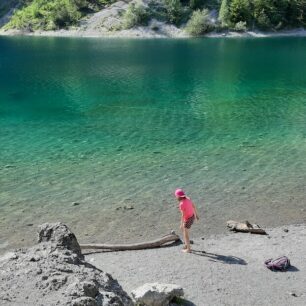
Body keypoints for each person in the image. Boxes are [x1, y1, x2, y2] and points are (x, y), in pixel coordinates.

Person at [174, 188, 199, 253]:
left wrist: (181, 224)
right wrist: (196, 215)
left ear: (178, 197)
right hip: (192, 216)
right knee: (184, 231)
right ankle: (186, 244)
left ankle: (188, 249)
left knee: (186, 234)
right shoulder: (188, 199)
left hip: (187, 219)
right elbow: (193, 206)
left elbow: (183, 215)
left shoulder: (181, 204)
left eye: (176, 196)